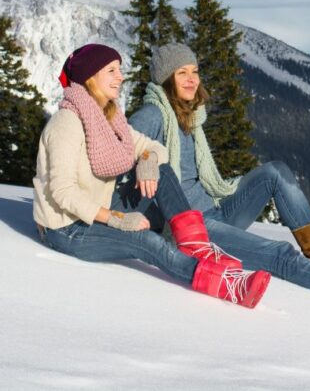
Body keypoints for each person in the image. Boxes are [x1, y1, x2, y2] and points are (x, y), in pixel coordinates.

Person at [128, 42, 310, 311]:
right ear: (166, 79)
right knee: (278, 255)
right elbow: (122, 149)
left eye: (194, 71)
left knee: (275, 172)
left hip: (215, 212)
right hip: (194, 230)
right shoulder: (153, 115)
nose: (191, 80)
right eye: (182, 73)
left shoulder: (189, 116)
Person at [32, 43, 271, 308]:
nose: (120, 77)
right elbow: (63, 192)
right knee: (145, 241)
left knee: (160, 168)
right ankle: (227, 285)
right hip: (67, 228)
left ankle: (196, 246)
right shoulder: (67, 123)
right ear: (90, 78)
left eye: (119, 70)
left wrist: (148, 160)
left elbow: (153, 147)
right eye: (111, 71)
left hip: (98, 208)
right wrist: (116, 219)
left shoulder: (107, 118)